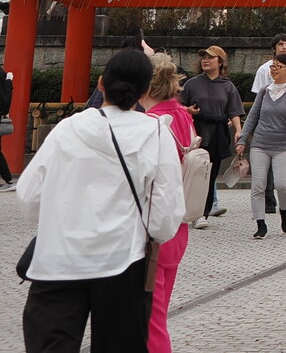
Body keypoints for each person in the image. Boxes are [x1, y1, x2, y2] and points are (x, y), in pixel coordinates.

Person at [21, 49, 184, 351]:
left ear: (100, 84)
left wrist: (62, 219)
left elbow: (29, 195)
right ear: (146, 90)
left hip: (58, 260)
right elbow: (166, 214)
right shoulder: (155, 133)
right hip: (122, 261)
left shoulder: (67, 128)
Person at [141, 53, 196, 353]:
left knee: (150, 320)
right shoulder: (183, 115)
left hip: (154, 228)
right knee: (157, 313)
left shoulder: (150, 123)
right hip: (179, 222)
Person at [235, 53, 286, 238]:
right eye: (272, 66)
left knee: (282, 185)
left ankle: (285, 210)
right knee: (258, 185)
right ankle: (260, 223)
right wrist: (242, 140)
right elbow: (252, 117)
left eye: (278, 66)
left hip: (283, 145)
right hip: (260, 144)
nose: (273, 69)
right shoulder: (264, 91)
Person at [180, 44, 242, 227]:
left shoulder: (228, 86)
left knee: (210, 174)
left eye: (211, 57)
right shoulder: (192, 83)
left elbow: (234, 111)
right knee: (193, 172)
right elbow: (178, 107)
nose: (205, 60)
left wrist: (238, 131)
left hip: (218, 132)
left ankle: (202, 213)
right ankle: (188, 210)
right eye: (204, 57)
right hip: (197, 131)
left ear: (220, 62)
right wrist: (188, 110)